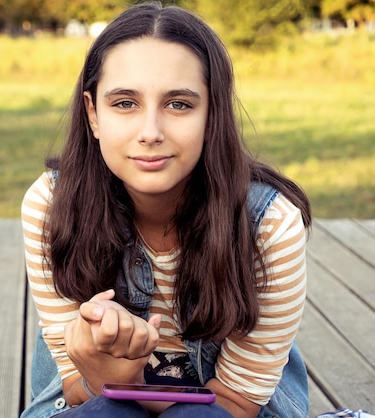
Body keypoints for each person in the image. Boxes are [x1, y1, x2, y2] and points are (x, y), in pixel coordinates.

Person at [20, 2, 311, 417]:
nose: (150, 133)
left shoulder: (270, 225)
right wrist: (105, 376)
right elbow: (76, 385)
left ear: (212, 115)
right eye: (124, 103)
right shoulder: (51, 207)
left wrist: (126, 382)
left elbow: (237, 403)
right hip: (93, 398)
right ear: (93, 113)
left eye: (179, 104)